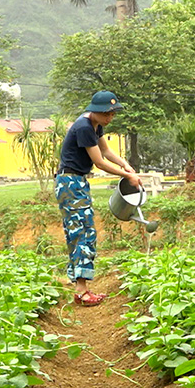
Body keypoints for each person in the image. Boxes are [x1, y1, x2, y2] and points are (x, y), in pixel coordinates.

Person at [55, 91, 142, 307]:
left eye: (112, 113)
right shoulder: (84, 127)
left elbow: (106, 151)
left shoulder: (95, 125)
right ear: (94, 110)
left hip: (75, 181)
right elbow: (99, 162)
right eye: (107, 113)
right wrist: (128, 176)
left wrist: (125, 165)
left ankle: (79, 285)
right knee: (83, 231)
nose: (110, 117)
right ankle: (82, 291)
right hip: (70, 182)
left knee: (79, 231)